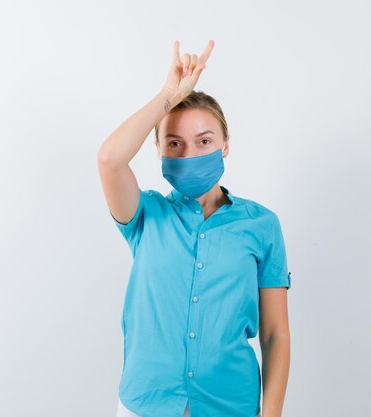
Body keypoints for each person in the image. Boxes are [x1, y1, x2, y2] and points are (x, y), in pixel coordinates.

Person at [97, 40, 291, 417]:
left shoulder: (262, 225)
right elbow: (109, 159)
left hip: (229, 405)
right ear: (158, 150)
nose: (191, 154)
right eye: (175, 143)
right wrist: (169, 95)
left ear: (226, 146)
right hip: (146, 404)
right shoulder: (145, 214)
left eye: (204, 141)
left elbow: (275, 334)